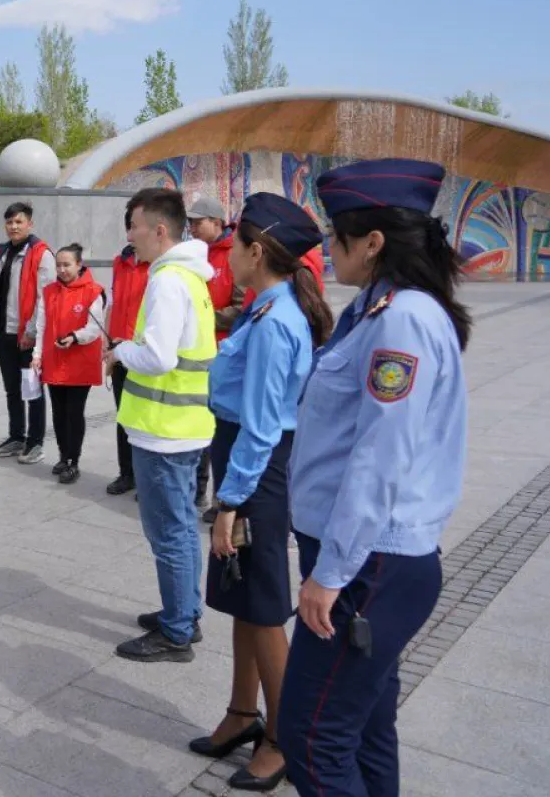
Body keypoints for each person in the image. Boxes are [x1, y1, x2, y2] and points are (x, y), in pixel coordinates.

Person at [277, 159, 470, 797]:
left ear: (373, 242)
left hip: (367, 564)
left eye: (337, 237)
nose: (329, 251)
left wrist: (329, 574)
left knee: (310, 737)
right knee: (362, 730)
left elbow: (380, 456)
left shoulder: (403, 320)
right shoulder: (373, 309)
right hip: (361, 555)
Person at [190, 193, 334, 791]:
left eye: (235, 244)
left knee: (265, 603)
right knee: (242, 597)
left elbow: (264, 424)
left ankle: (281, 736)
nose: (228, 257)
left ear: (257, 251)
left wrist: (229, 504)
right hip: (245, 462)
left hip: (257, 471)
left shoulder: (276, 323)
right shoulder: (262, 309)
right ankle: (242, 714)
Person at [104, 187, 217, 662]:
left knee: (168, 531)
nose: (129, 237)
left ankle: (175, 631)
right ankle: (184, 612)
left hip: (164, 428)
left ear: (159, 229)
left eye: (133, 226)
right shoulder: (190, 276)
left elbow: (158, 356)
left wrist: (121, 351)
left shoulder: (169, 280)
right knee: (183, 528)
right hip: (183, 424)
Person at [0, 202, 56, 466]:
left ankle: (35, 443)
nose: (14, 227)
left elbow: (46, 298)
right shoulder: (0, 252)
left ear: (29, 224)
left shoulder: (41, 254)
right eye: (10, 222)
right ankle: (16, 436)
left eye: (19, 222)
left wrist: (33, 331)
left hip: (28, 334)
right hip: (4, 331)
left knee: (32, 389)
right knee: (12, 389)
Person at [30, 244, 107, 486]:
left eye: (67, 265)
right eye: (59, 265)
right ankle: (64, 456)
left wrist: (75, 337)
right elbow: (41, 325)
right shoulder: (49, 291)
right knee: (58, 412)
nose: (62, 269)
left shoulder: (94, 292)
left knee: (74, 412)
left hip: (79, 362)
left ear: (79, 265)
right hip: (54, 359)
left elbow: (95, 328)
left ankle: (74, 460)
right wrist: (37, 354)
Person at [188, 195, 244, 515]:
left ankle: (219, 497)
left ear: (217, 223)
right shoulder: (194, 256)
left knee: (217, 428)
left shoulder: (234, 255)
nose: (192, 227)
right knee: (197, 421)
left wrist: (202, 317)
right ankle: (195, 488)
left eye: (198, 222)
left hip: (221, 351)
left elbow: (239, 307)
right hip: (195, 350)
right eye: (190, 222)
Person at [105, 211, 149, 496]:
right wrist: (107, 345)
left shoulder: (157, 266)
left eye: (137, 227)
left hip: (143, 351)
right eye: (129, 227)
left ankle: (145, 478)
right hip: (118, 349)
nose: (131, 234)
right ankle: (126, 473)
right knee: (123, 415)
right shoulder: (119, 262)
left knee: (143, 417)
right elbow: (113, 302)